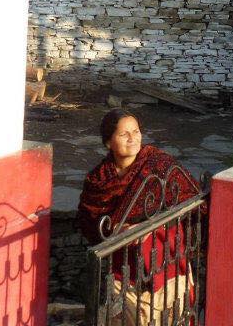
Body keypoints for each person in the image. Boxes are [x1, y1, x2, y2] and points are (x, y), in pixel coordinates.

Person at [78, 109, 202, 326]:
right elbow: (90, 220)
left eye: (136, 131)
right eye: (124, 134)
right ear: (108, 142)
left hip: (163, 255)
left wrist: (147, 228)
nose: (132, 138)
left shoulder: (159, 165)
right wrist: (116, 229)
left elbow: (189, 200)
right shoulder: (98, 180)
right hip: (122, 264)